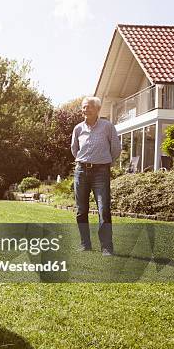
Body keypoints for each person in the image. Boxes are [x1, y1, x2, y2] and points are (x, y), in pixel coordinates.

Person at [70, 96, 121, 256]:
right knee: (81, 210)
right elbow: (74, 149)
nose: (85, 110)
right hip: (81, 172)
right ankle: (85, 244)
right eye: (84, 107)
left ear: (98, 109)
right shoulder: (78, 128)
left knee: (104, 209)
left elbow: (116, 148)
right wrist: (84, 161)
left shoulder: (107, 127)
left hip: (101, 172)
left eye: (89, 107)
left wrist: (105, 163)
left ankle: (106, 247)